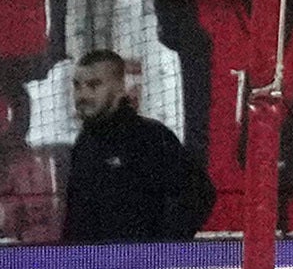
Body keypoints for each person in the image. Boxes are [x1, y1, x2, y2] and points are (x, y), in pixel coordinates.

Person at [57, 43, 213, 243]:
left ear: (121, 88)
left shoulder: (151, 137)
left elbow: (199, 194)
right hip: (91, 268)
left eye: (94, 85)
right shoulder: (85, 144)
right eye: (77, 85)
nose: (82, 95)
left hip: (141, 266)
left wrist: (158, 249)